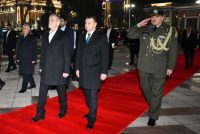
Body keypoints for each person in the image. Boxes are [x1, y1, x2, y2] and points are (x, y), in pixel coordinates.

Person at [127, 8, 178, 126]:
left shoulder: (169, 30)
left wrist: (170, 67)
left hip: (160, 67)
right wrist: (138, 24)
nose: (154, 18)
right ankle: (155, 106)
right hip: (144, 65)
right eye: (152, 16)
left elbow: (173, 50)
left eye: (157, 16)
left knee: (157, 92)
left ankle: (153, 115)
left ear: (162, 18)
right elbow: (130, 35)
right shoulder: (145, 28)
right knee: (145, 88)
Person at [32, 14, 71, 122]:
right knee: (42, 92)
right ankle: (40, 113)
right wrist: (41, 66)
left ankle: (63, 110)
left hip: (59, 69)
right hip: (46, 69)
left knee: (61, 92)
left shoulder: (64, 35)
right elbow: (43, 53)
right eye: (49, 20)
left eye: (52, 20)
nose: (50, 21)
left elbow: (67, 54)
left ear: (58, 23)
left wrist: (66, 70)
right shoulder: (45, 35)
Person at [76, 16, 109, 129]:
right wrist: (77, 68)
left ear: (95, 24)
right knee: (87, 93)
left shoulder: (101, 36)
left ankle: (92, 118)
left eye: (89, 23)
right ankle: (91, 111)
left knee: (93, 95)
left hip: (95, 71)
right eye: (85, 23)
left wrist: (104, 72)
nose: (86, 25)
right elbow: (78, 54)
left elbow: (105, 55)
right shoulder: (81, 36)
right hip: (84, 71)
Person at [16, 23, 37, 93]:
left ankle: (23, 88)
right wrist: (17, 57)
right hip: (22, 58)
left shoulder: (32, 38)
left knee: (26, 73)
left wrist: (34, 59)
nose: (23, 30)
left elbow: (34, 49)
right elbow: (18, 48)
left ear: (28, 30)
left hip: (29, 59)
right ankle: (33, 84)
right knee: (27, 73)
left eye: (25, 29)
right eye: (23, 28)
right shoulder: (20, 37)